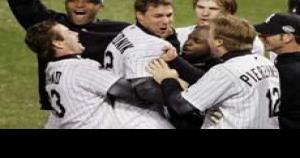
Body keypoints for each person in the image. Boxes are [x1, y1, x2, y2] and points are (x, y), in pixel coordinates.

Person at [148, 14, 280, 129]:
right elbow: (210, 83)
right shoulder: (265, 63)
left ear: (218, 42)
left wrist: (167, 79)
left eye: (209, 36)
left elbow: (181, 105)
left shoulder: (227, 70)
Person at [8, 0, 130, 110]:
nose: (79, 5)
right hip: (63, 113)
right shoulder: (49, 26)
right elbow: (22, 3)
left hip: (103, 111)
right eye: (73, 0)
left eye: (89, 1)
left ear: (100, 6)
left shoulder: (120, 32)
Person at [25, 20, 141, 129]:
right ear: (58, 43)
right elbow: (131, 91)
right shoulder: (81, 68)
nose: (75, 33)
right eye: (68, 32)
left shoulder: (51, 70)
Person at [104, 0, 200, 129]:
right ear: (140, 16)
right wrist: (176, 82)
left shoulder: (129, 31)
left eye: (169, 15)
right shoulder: (151, 45)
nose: (166, 21)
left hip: (117, 108)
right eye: (158, 16)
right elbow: (145, 90)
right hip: (140, 117)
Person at [176, 0, 264, 68]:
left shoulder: (247, 41)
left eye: (213, 9)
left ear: (228, 12)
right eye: (200, 7)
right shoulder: (180, 34)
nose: (205, 13)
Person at [256, 13, 300, 129]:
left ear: (287, 37)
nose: (262, 36)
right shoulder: (287, 65)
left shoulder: (286, 71)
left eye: (269, 32)